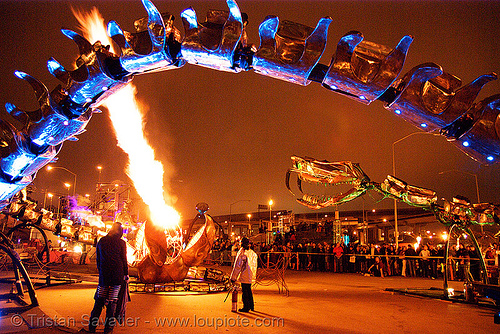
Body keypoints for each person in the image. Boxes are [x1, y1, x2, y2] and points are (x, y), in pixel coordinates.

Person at [88, 223, 129, 333]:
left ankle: (92, 327)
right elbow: (124, 260)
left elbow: (98, 259)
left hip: (104, 277)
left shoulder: (102, 241)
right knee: (112, 303)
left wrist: (101, 271)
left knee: (99, 301)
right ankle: (108, 329)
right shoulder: (121, 243)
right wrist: (126, 274)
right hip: (117, 276)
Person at [230, 237, 258, 312]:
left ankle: (246, 307)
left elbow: (237, 266)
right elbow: (255, 266)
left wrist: (233, 277)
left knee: (245, 291)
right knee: (249, 290)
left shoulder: (242, 253)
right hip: (250, 275)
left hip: (245, 274)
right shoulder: (253, 253)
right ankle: (251, 306)